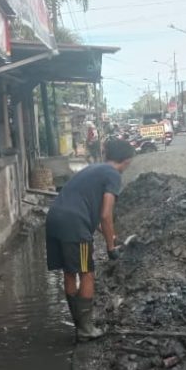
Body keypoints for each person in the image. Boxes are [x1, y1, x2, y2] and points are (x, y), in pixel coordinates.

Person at [45, 138, 134, 341]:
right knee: (87, 272)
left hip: (55, 219)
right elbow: (105, 214)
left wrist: (110, 235)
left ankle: (79, 324)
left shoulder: (93, 169)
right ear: (127, 161)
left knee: (69, 273)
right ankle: (85, 329)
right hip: (75, 224)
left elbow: (89, 211)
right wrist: (111, 248)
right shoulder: (113, 175)